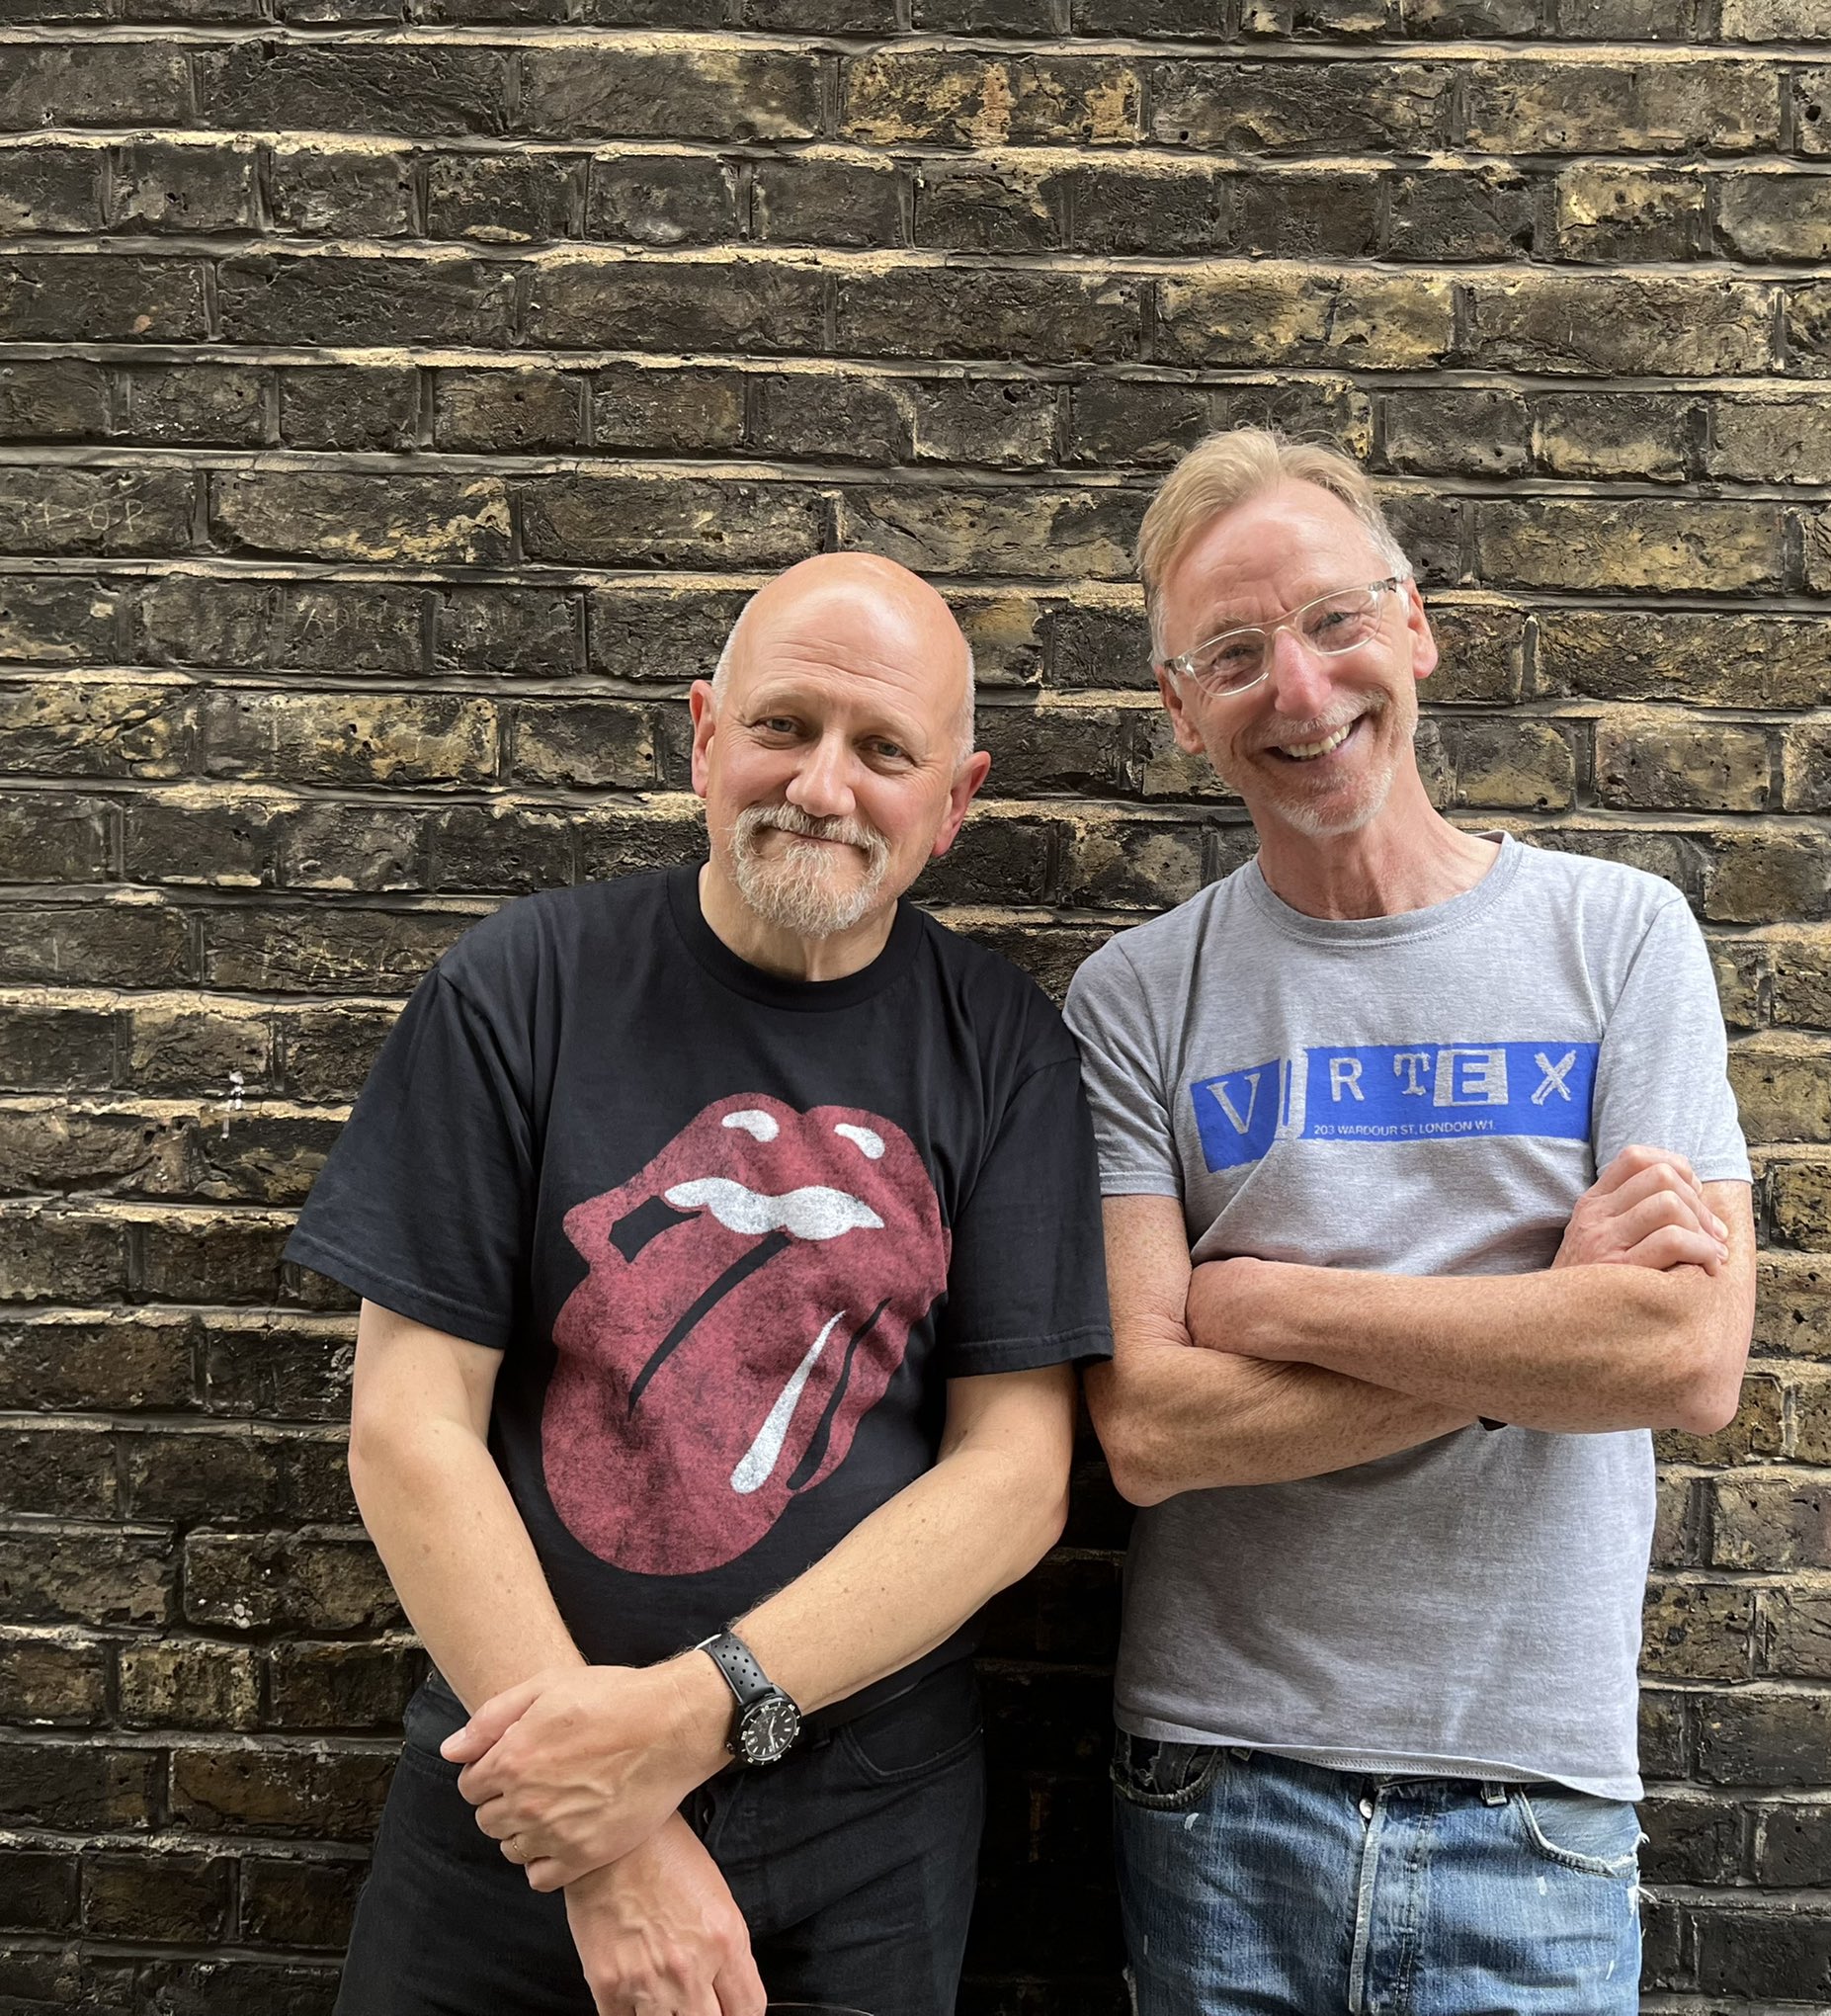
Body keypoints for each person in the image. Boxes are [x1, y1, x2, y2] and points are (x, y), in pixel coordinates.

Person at [285, 551, 1112, 2016]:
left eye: (883, 752)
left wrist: (683, 1724)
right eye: (785, 726)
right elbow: (410, 1428)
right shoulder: (519, 990)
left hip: (867, 1812)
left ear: (956, 801)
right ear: (704, 736)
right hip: (513, 1778)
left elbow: (1017, 1475)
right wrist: (605, 1836)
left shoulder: (1007, 1050)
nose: (823, 786)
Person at [1060, 430, 1757, 2015]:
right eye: (1231, 655)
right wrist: (1545, 1323)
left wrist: (1270, 1306)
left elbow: (1687, 1358)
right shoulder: (1134, 1000)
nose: (1298, 693)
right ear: (1182, 710)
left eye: (1332, 623)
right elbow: (1154, 1432)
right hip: (1218, 1791)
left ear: (1417, 627)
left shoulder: (1621, 940)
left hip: (1537, 1796)